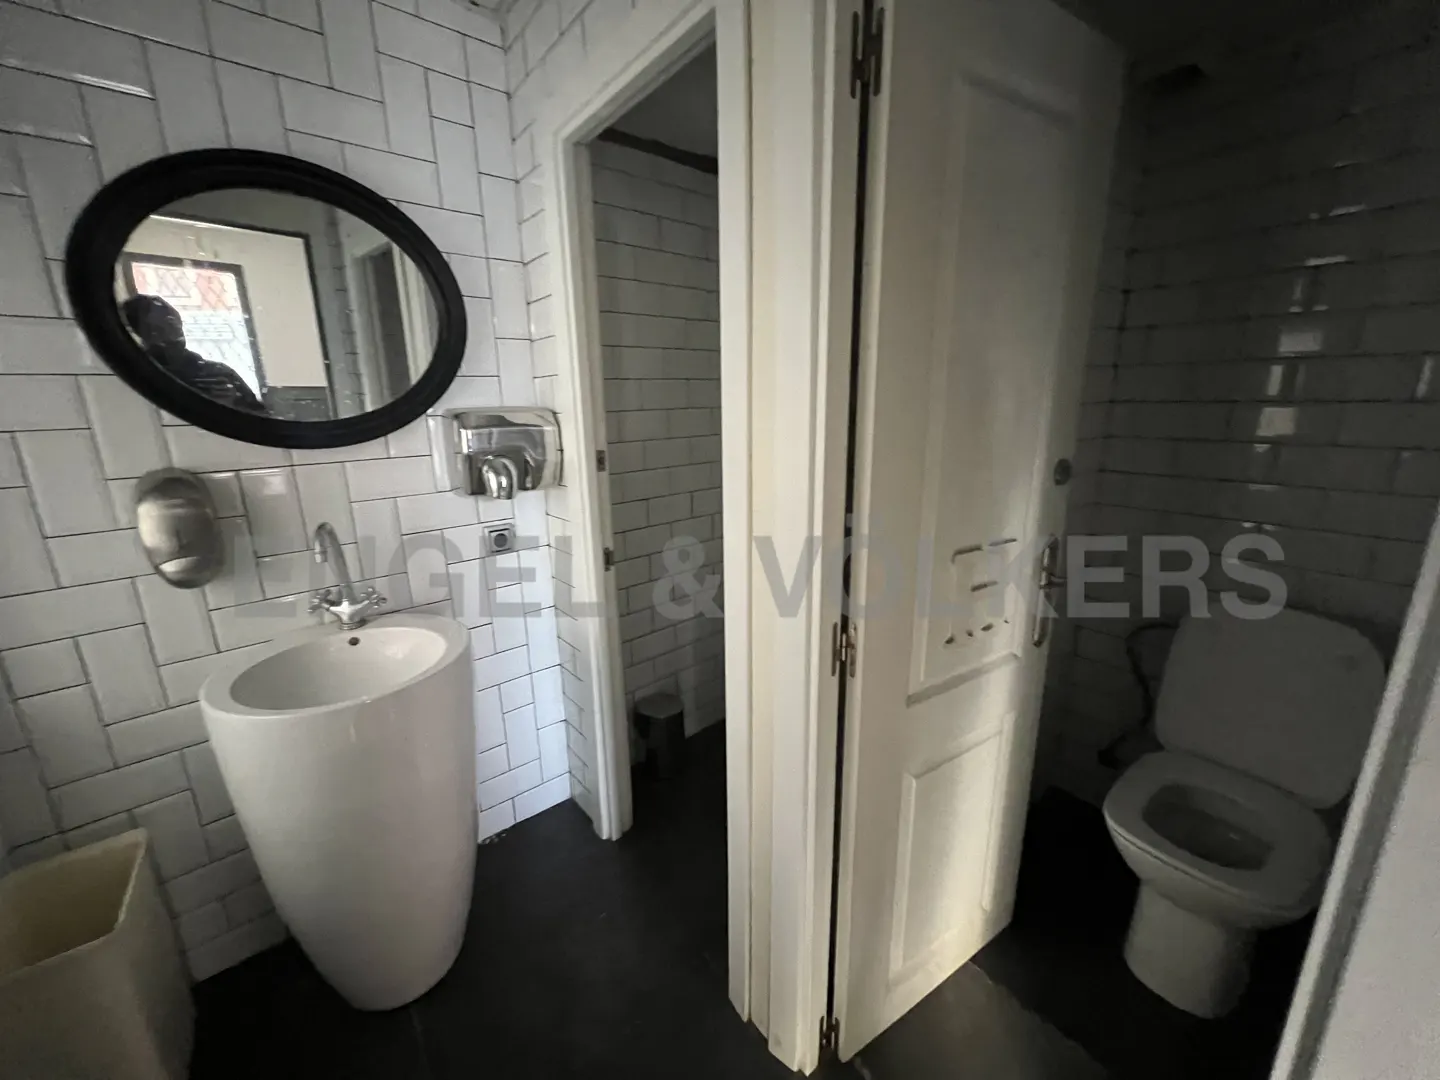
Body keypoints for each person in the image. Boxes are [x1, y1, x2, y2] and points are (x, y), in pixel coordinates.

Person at [120, 294, 266, 414]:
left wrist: (232, 405)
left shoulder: (219, 374)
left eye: (174, 324)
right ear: (141, 334)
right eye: (157, 329)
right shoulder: (138, 377)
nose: (172, 335)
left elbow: (261, 419)